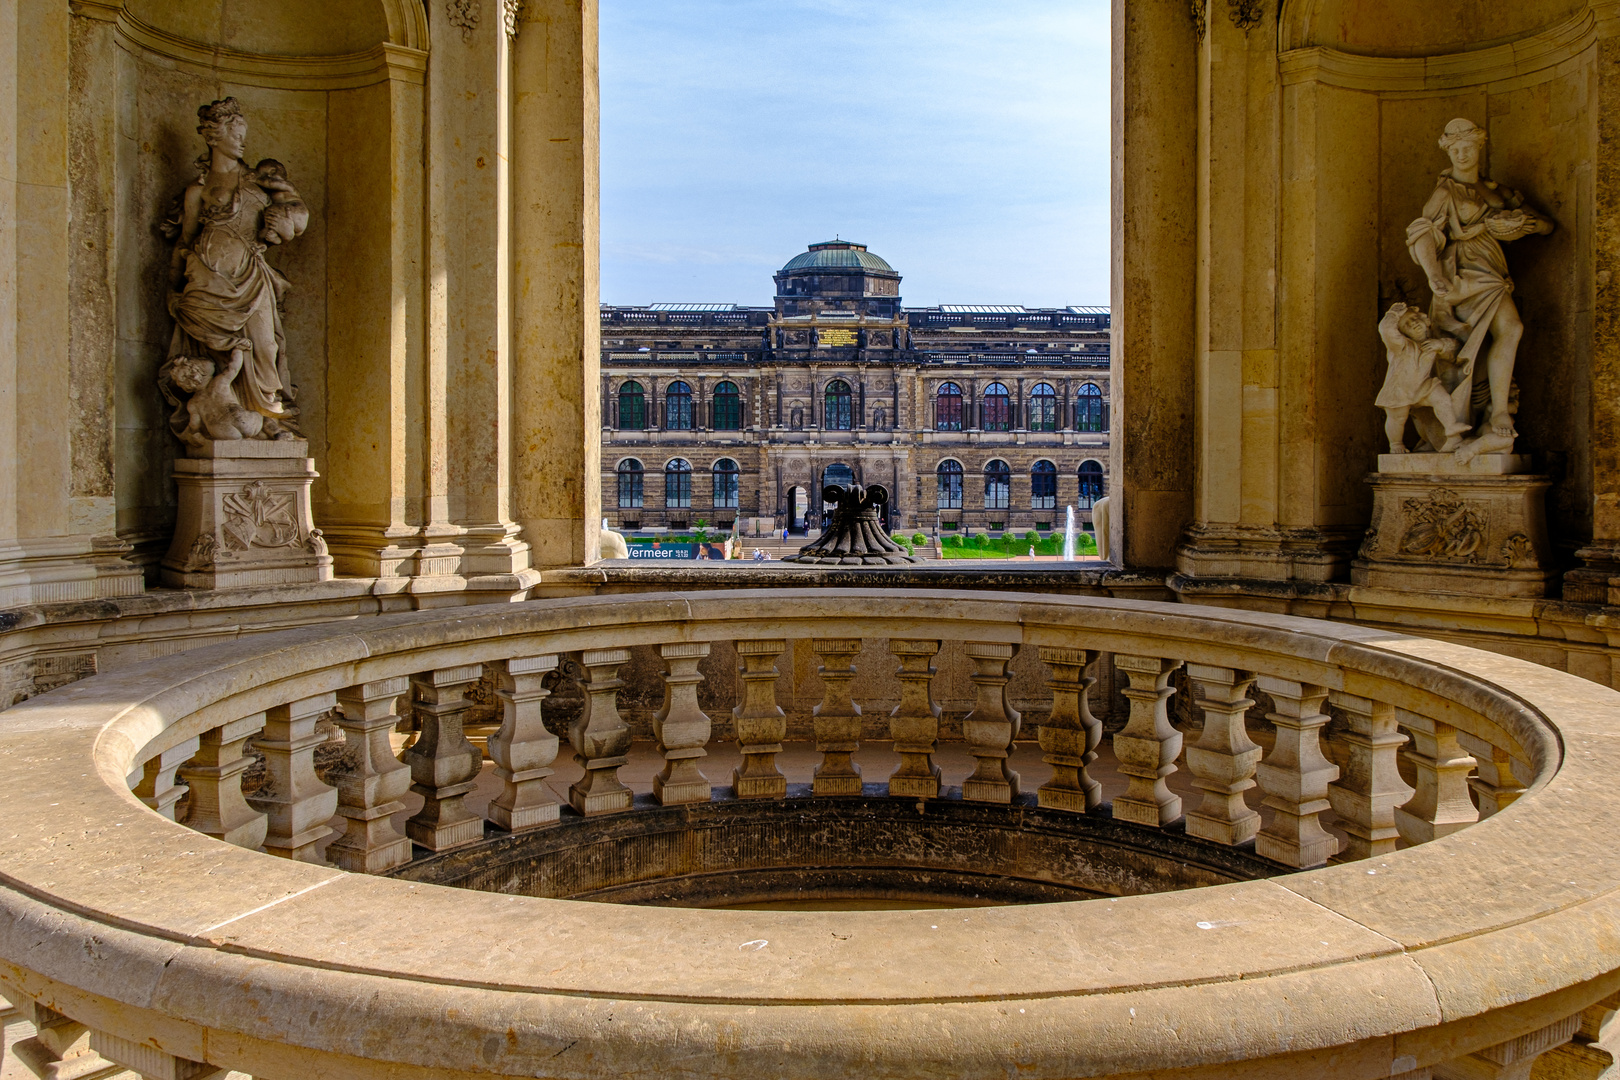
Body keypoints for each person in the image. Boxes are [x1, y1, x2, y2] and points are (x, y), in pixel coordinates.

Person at [158, 98, 309, 441]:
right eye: (236, 134)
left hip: (250, 277)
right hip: (206, 280)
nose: (242, 142)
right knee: (218, 354)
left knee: (265, 346)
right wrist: (171, 289)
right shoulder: (198, 190)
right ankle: (230, 419)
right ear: (214, 137)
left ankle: (271, 419)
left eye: (244, 135)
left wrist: (286, 211)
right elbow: (185, 243)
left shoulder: (259, 181)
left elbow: (296, 216)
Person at [1406, 118, 1554, 442]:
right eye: (1455, 149)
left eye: (1467, 147)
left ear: (1479, 147)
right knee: (1486, 340)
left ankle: (1497, 410)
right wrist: (1433, 275)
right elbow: (1422, 232)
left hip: (1492, 269)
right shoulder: (1446, 190)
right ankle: (1482, 415)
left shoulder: (1496, 190)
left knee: (1505, 333)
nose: (1461, 154)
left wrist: (1525, 225)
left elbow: (1545, 225)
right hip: (1462, 274)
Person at [1375, 302, 1471, 454]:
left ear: (1425, 320)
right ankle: (1395, 444)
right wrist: (1393, 314)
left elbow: (1456, 346)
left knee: (1442, 399)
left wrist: (1440, 345)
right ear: (1402, 333)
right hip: (1399, 390)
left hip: (1423, 386)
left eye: (1414, 318)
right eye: (1406, 324)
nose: (1413, 324)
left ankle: (1451, 427)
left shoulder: (1431, 343)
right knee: (1397, 419)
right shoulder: (1401, 345)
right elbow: (1386, 330)